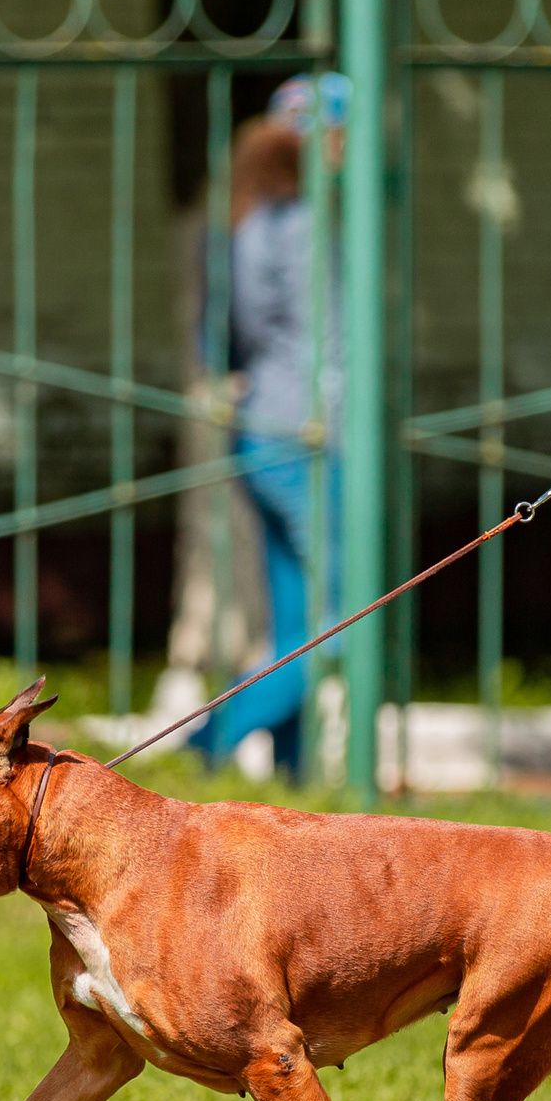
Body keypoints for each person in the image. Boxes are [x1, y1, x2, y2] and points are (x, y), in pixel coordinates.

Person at [192, 74, 349, 776]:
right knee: (348, 616)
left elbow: (217, 342)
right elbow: (329, 343)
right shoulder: (304, 225)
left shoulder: (240, 221)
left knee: (295, 623)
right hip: (310, 434)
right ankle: (207, 743)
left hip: (256, 428)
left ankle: (296, 774)